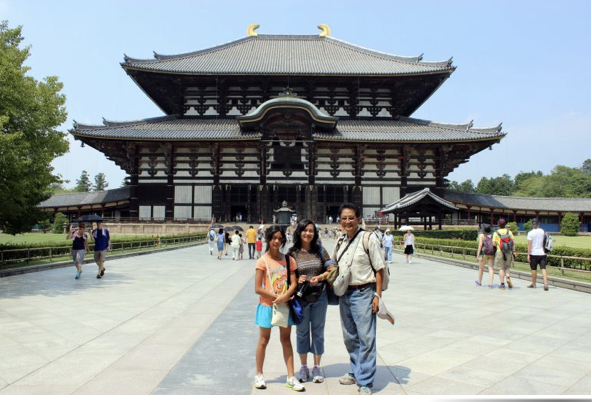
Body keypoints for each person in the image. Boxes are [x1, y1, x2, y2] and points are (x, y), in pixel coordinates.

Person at [333, 203, 386, 395]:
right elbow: (334, 266)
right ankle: (356, 370)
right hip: (345, 293)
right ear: (339, 220)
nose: (347, 221)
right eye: (344, 218)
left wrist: (377, 295)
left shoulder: (368, 238)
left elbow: (379, 268)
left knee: (366, 337)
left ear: (358, 218)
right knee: (350, 337)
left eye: (351, 218)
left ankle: (365, 380)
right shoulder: (340, 240)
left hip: (364, 292)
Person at [253, 226, 304, 392]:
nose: (277, 241)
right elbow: (258, 288)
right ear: (268, 239)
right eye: (274, 238)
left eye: (280, 238)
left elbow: (294, 283)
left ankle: (290, 376)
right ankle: (259, 374)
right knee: (263, 340)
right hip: (267, 306)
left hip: (284, 306)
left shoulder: (289, 260)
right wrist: (277, 297)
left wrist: (285, 296)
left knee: (286, 340)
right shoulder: (263, 261)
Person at [288, 219, 333, 384]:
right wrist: (297, 278)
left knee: (318, 331)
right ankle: (303, 366)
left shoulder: (320, 250)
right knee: (301, 332)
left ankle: (316, 366)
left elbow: (332, 269)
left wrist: (320, 277)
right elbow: (288, 275)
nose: (307, 233)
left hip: (320, 296)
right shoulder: (292, 253)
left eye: (311, 231)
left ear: (314, 233)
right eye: (304, 230)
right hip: (301, 298)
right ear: (299, 232)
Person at [493, 219, 517, 290]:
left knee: (501, 268)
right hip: (508, 252)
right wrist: (514, 251)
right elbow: (513, 243)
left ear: (498, 225)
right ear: (505, 224)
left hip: (500, 252)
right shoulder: (509, 232)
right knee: (507, 267)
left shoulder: (496, 233)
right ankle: (507, 277)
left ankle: (502, 284)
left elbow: (494, 244)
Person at [527, 218, 550, 291]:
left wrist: (528, 254)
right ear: (538, 224)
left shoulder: (530, 233)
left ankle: (534, 284)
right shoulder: (542, 231)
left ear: (532, 224)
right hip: (542, 253)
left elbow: (529, 245)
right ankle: (545, 283)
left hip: (533, 253)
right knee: (543, 268)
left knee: (534, 269)